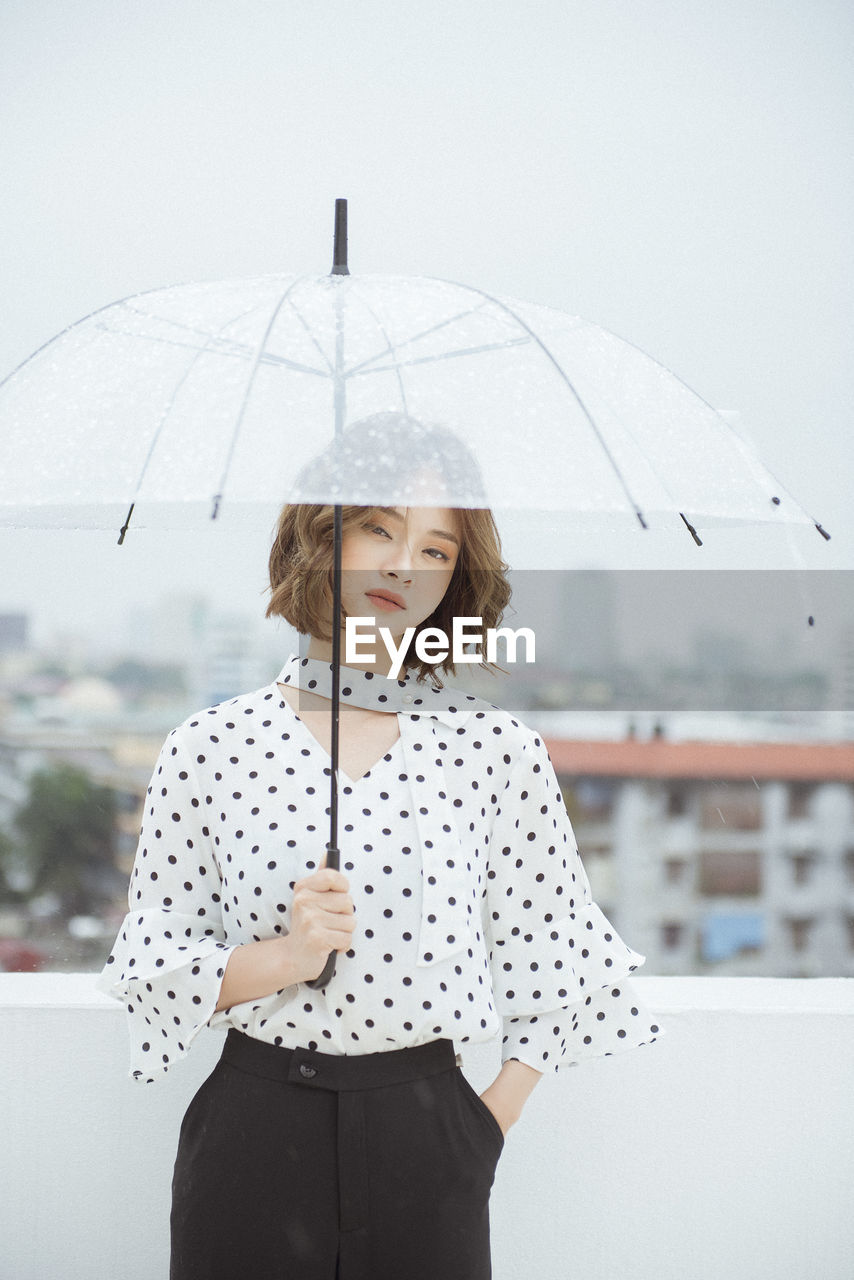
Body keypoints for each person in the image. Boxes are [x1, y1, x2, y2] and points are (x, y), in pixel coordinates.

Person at [98, 425, 663, 1280]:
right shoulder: (209, 745)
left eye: (436, 548)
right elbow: (154, 958)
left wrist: (480, 1126)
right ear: (319, 537)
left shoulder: (496, 751)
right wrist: (287, 956)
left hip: (428, 1136)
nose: (405, 565)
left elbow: (561, 960)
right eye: (379, 529)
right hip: (251, 1133)